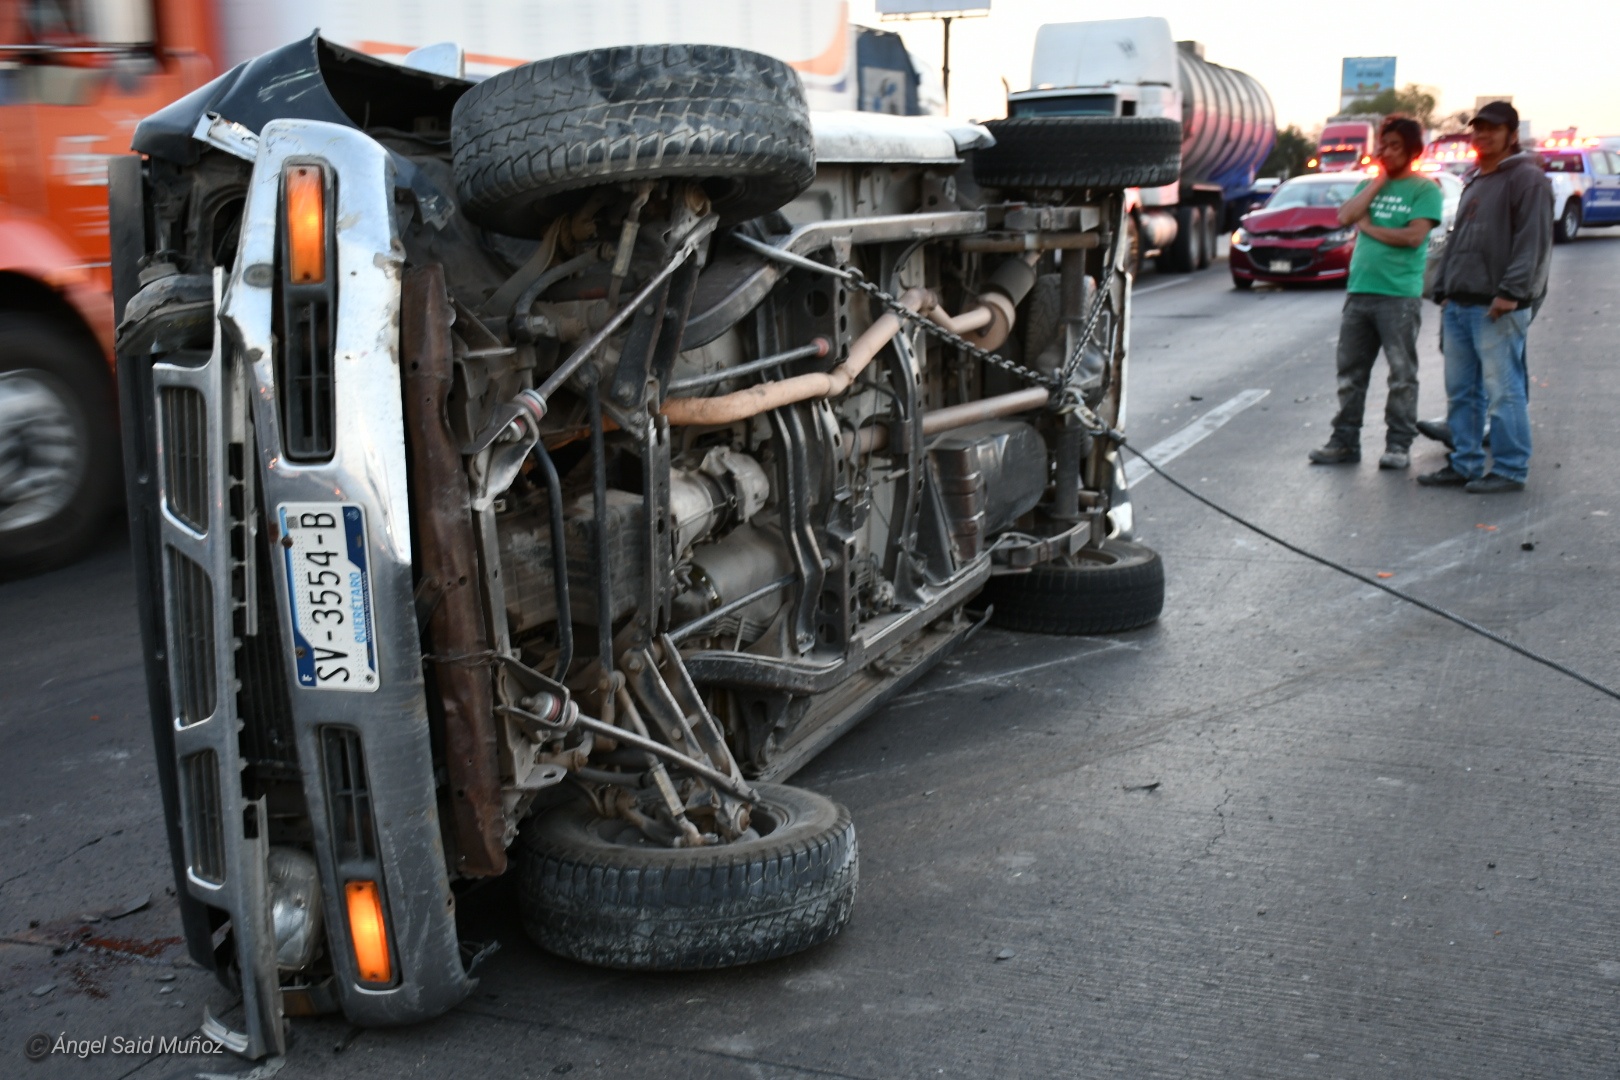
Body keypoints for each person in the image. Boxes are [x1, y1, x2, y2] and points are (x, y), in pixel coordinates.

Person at [1417, 101, 1553, 493]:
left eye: (1492, 129)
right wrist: (1443, 288)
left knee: (1503, 392)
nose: (1482, 135)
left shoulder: (1527, 179)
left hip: (1497, 306)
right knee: (1463, 392)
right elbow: (1459, 239)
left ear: (1511, 135)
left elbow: (1533, 244)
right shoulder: (1477, 178)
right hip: (1460, 302)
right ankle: (1465, 462)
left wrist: (1510, 294)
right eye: (1478, 128)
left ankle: (1510, 469)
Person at [1308, 115, 1443, 470]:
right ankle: (1344, 441)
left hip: (1398, 296)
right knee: (1350, 373)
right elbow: (1344, 216)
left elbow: (1414, 237)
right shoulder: (1370, 185)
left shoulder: (1424, 190)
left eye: (1394, 146)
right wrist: (1379, 181)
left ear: (1412, 151)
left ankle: (1398, 444)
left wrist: (1368, 227)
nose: (1385, 151)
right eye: (1383, 145)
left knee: (1401, 375)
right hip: (1359, 293)